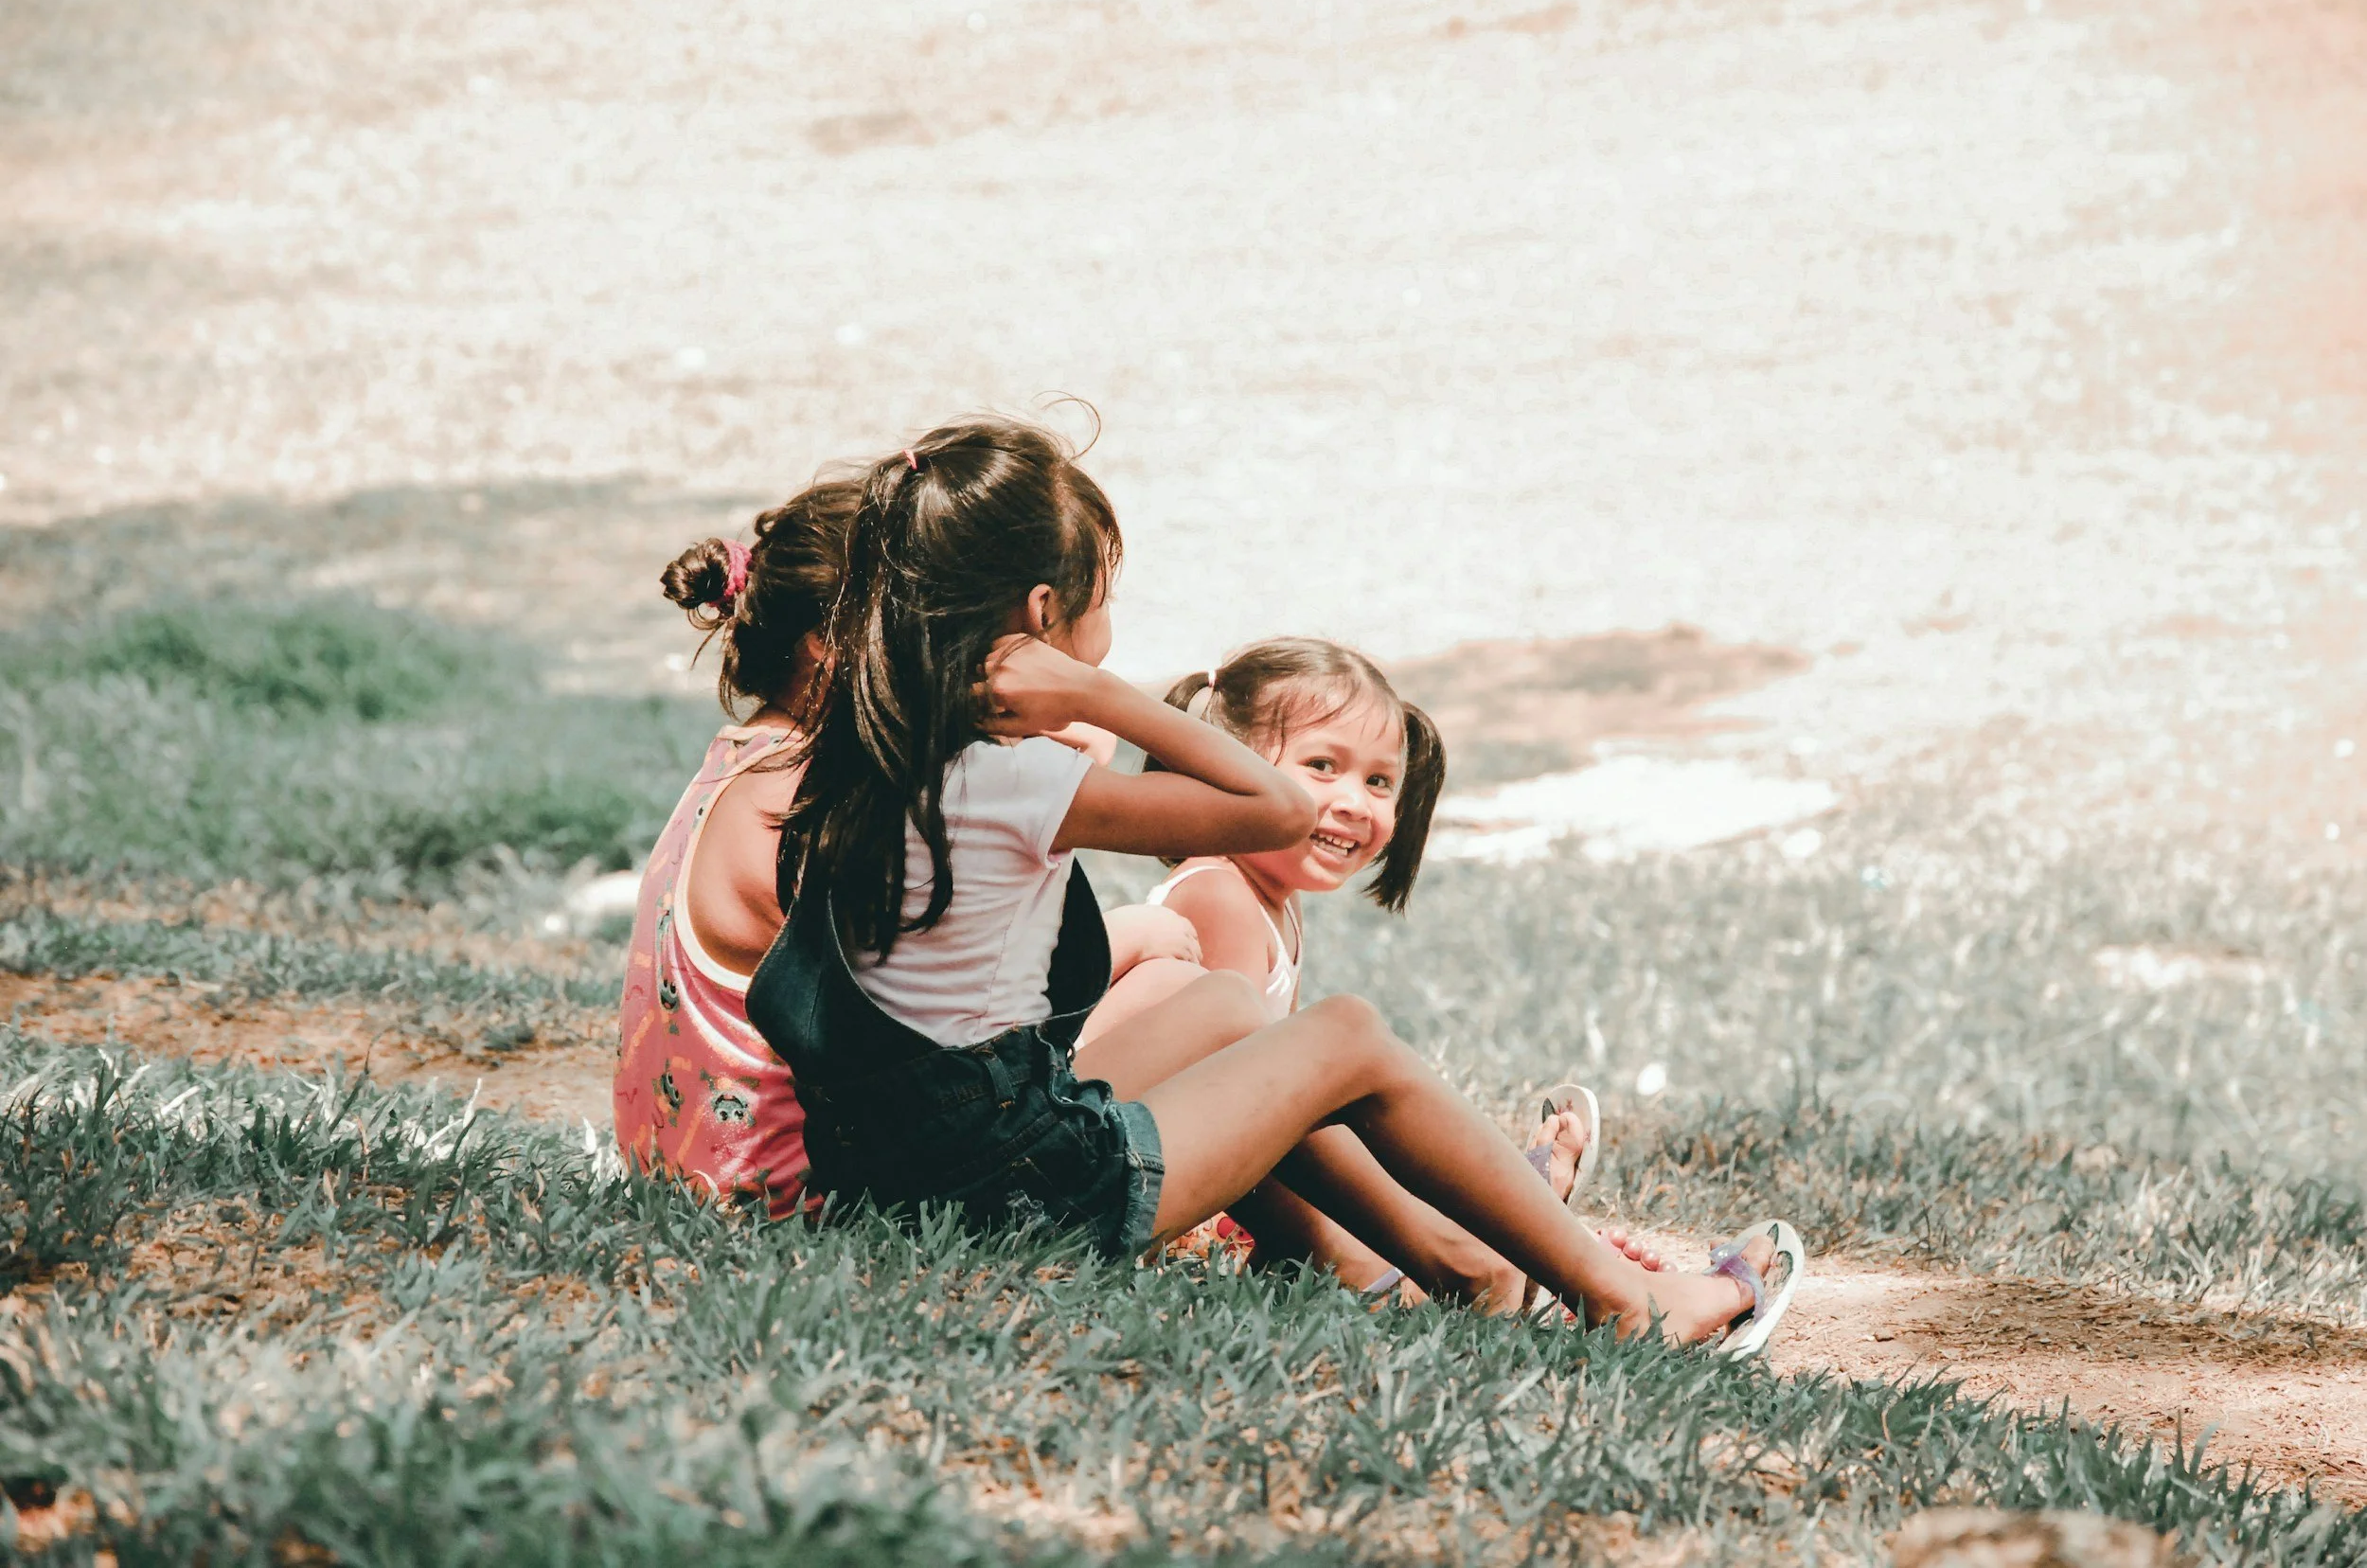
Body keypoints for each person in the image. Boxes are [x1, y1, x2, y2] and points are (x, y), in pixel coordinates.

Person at [749, 414, 1803, 1348]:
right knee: (1343, 1035)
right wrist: (1096, 695)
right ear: (1042, 615)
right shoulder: (1009, 778)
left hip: (897, 1174)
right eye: (1100, 607)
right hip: (1011, 1195)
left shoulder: (866, 748)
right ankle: (1626, 1303)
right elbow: (1277, 811)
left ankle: (1460, 1267)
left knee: (1220, 1006)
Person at [614, 478, 1217, 1215]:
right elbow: (953, 1016)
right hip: (802, 1202)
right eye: (928, 638)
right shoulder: (814, 802)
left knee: (1185, 1001)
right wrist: (1128, 936)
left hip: (702, 1175)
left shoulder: (758, 759)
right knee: (1184, 996)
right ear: (829, 648)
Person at [1080, 639, 1663, 1312]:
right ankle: (1431, 1255)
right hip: (1157, 1173)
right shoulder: (1218, 894)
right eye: (1322, 766)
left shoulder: (1274, 903)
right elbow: (1246, 1118)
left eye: (1378, 782)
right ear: (1224, 768)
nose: (1355, 802)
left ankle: (1487, 1224)